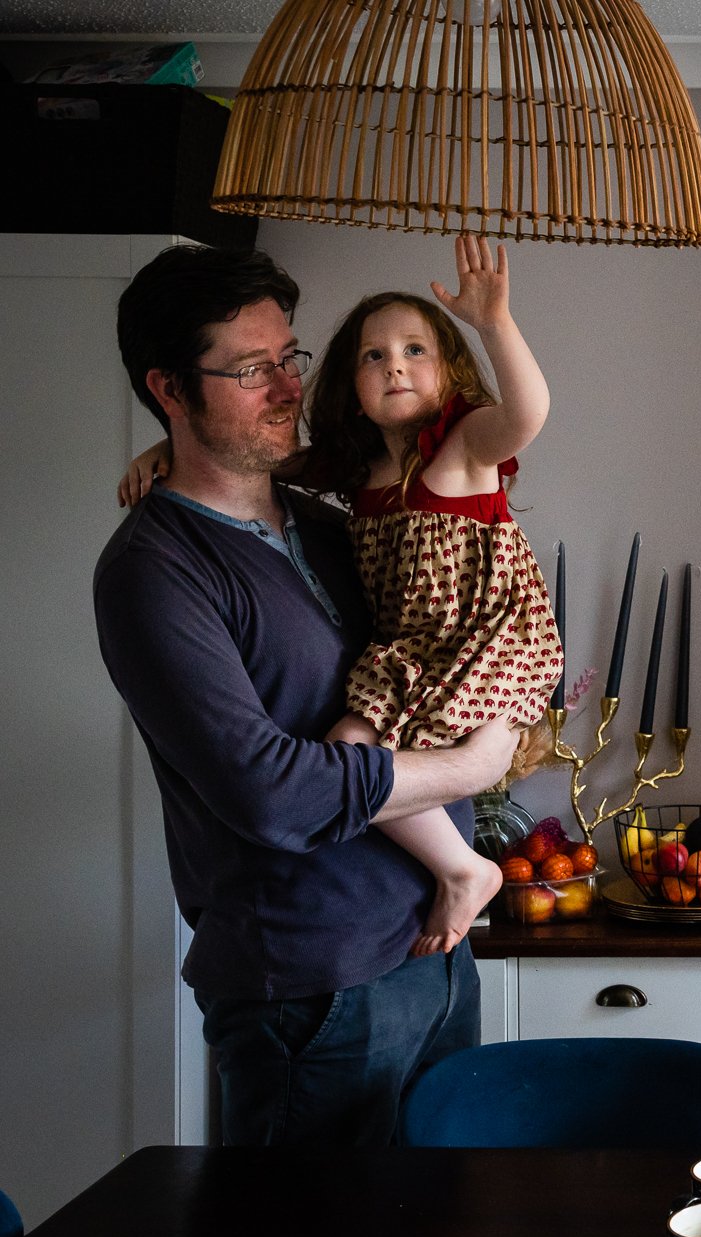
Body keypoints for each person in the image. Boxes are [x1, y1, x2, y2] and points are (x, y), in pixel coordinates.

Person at [97, 243, 518, 1145]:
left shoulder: (337, 524)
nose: (289, 386)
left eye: (290, 358)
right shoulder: (154, 571)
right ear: (169, 389)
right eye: (253, 370)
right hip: (311, 994)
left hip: (437, 955)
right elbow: (269, 789)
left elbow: (452, 633)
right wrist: (468, 765)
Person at [123, 236, 562, 957]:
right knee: (357, 744)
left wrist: (495, 325)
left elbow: (527, 412)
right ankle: (463, 867)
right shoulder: (335, 485)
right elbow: (272, 791)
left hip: (480, 641)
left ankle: (461, 869)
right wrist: (165, 448)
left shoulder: (448, 452)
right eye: (372, 355)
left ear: (448, 368)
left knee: (365, 741)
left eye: (417, 350)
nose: (395, 364)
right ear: (170, 391)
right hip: (315, 974)